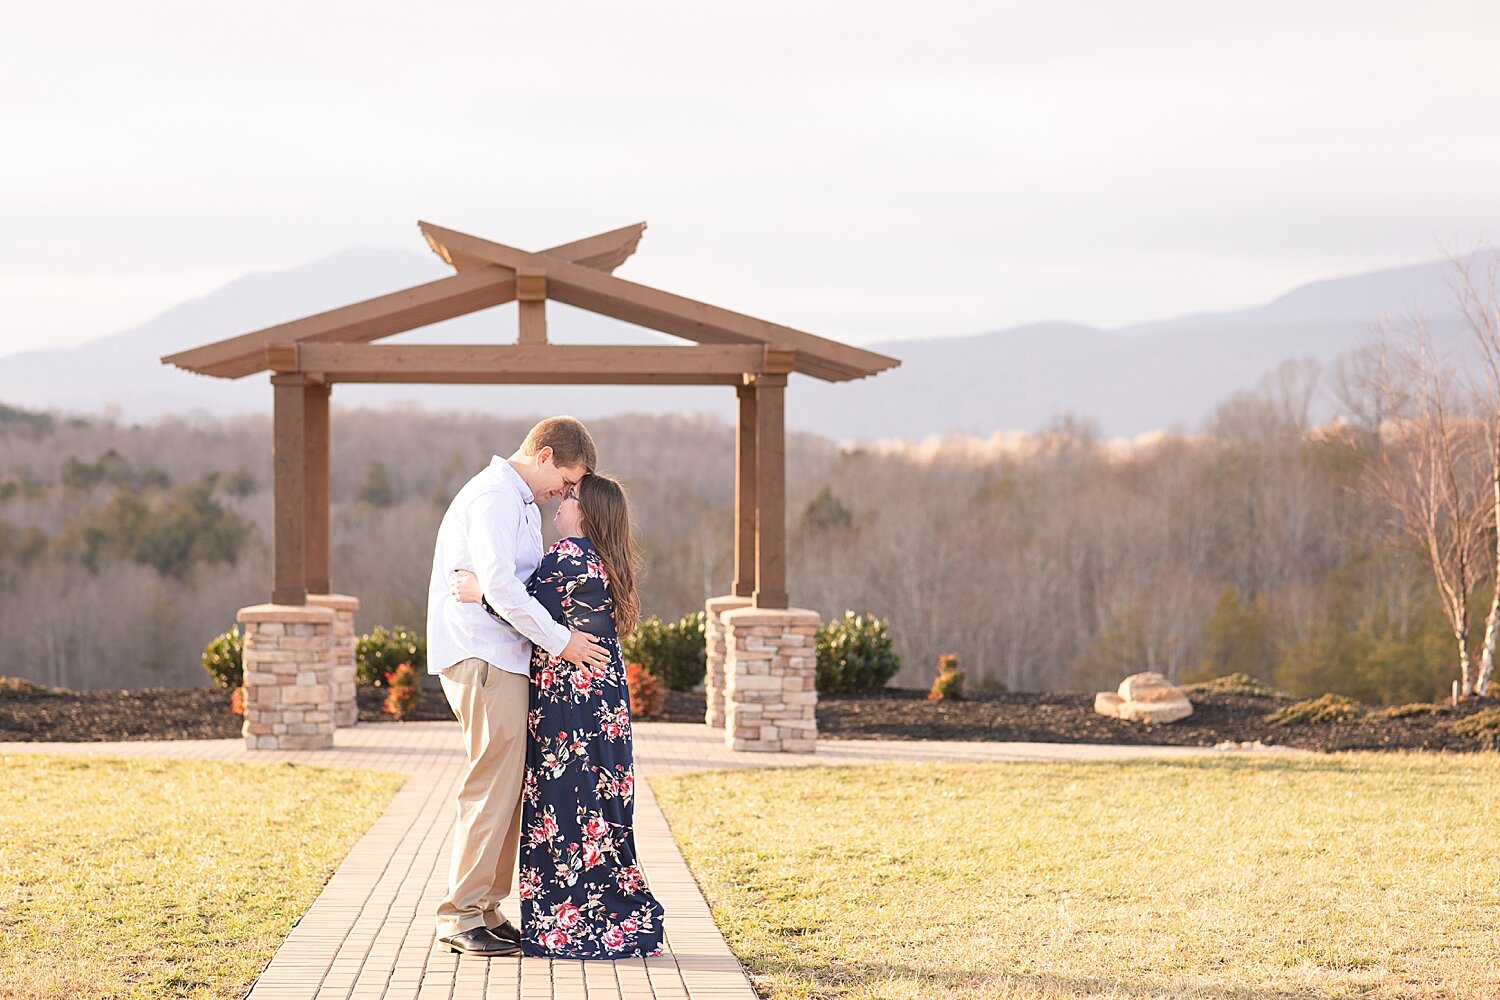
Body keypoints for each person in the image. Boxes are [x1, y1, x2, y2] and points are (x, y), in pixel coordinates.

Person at [451, 471, 666, 959]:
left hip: (570, 704)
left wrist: (478, 590)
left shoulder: (567, 556)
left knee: (563, 804)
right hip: (604, 703)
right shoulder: (606, 562)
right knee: (597, 807)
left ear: (586, 512)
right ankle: (609, 909)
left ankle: (567, 922)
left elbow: (522, 606)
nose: (560, 504)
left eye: (569, 497)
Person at [426, 416, 612, 958]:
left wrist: (492, 590)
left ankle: (485, 907)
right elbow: (506, 590)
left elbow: (510, 584)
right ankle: (459, 914)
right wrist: (563, 643)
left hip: (506, 658)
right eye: (568, 480)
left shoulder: (521, 506)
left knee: (509, 789)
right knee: (490, 785)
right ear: (546, 454)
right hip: (484, 658)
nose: (566, 492)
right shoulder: (494, 499)